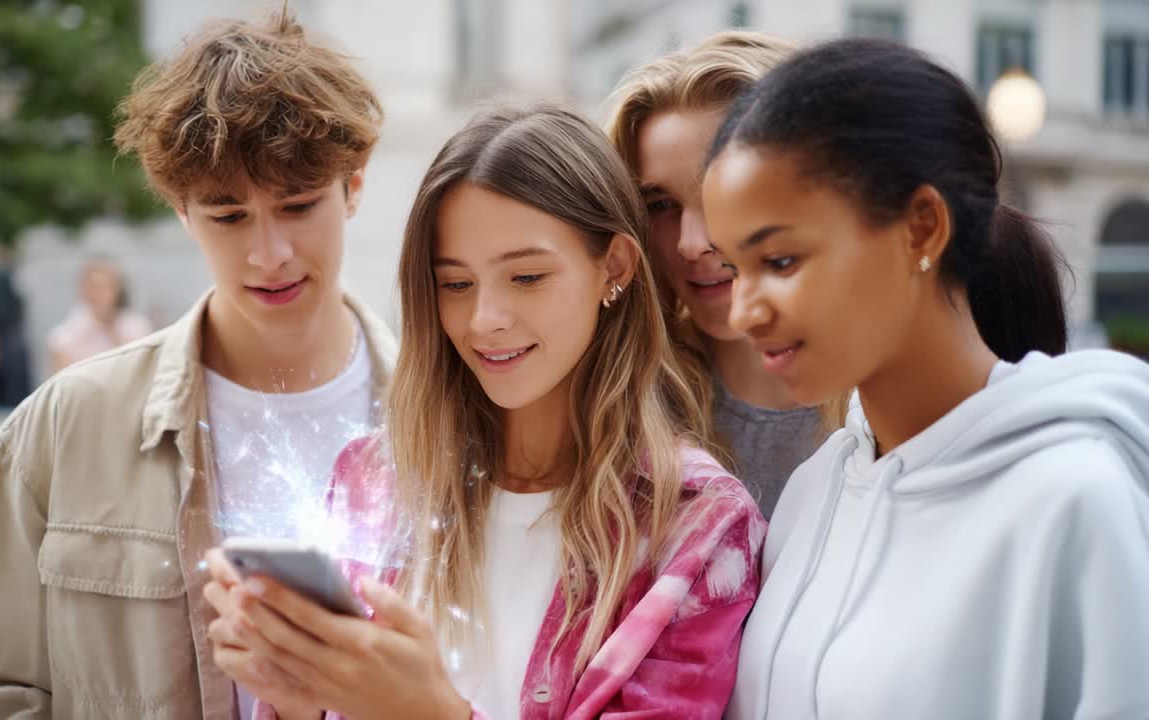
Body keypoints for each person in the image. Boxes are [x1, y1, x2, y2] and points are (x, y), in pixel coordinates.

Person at [203, 103, 765, 720]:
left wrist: (428, 713)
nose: (485, 320)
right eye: (456, 284)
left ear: (614, 267)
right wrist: (295, 698)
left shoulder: (699, 527)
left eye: (526, 277)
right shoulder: (373, 481)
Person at [0, 12, 398, 718]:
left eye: (297, 207)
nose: (269, 254)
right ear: (180, 209)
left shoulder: (452, 418)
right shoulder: (71, 422)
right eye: (229, 217)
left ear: (354, 187)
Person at [698, 38, 1149, 719]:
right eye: (735, 269)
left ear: (921, 228)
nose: (743, 312)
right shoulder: (815, 490)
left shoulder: (1076, 502)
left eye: (781, 261)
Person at [606, 31, 842, 519]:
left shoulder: (895, 397)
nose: (691, 242)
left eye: (723, 193)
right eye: (661, 205)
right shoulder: (624, 409)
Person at [47, 257, 153, 373]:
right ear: (82, 290)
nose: (100, 294)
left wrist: (112, 330)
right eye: (95, 287)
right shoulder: (63, 337)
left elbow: (143, 368)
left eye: (107, 286)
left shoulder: (136, 326)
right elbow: (65, 378)